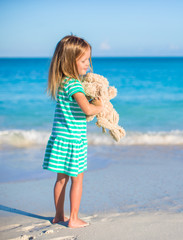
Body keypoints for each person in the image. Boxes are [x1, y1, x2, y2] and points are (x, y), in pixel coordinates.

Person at [43, 35, 103, 228]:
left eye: (88, 60)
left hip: (60, 138)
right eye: (84, 60)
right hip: (74, 140)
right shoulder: (75, 85)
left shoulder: (62, 83)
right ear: (70, 61)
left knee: (61, 180)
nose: (88, 65)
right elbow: (87, 109)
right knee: (77, 180)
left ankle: (59, 216)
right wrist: (100, 106)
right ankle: (74, 218)